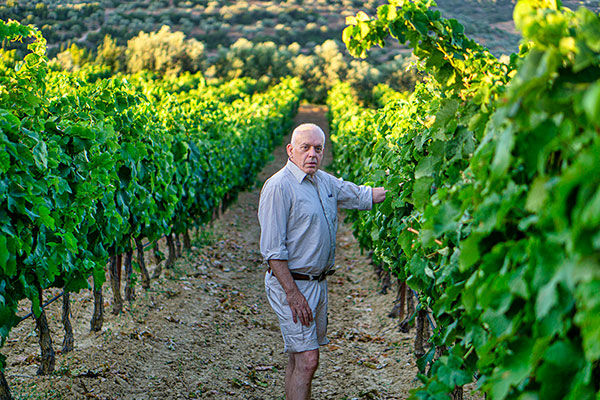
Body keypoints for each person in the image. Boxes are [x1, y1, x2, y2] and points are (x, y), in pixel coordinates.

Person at [258, 123, 387, 400]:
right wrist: (293, 295)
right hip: (291, 284)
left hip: (316, 284)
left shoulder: (324, 181)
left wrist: (403, 186)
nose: (312, 154)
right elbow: (272, 251)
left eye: (318, 148)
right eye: (305, 148)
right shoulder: (278, 187)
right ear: (290, 151)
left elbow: (363, 195)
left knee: (299, 357)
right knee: (308, 359)